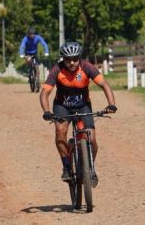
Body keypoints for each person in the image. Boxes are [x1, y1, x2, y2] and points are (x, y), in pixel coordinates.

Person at [39, 41, 117, 188]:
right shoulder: (57, 70)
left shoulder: (87, 67)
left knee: (92, 139)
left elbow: (104, 84)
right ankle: (67, 167)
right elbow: (45, 93)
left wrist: (111, 104)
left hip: (83, 106)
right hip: (62, 107)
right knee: (60, 131)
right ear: (63, 59)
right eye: (68, 60)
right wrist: (47, 111)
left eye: (75, 59)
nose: (72, 62)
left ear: (79, 57)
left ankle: (90, 169)